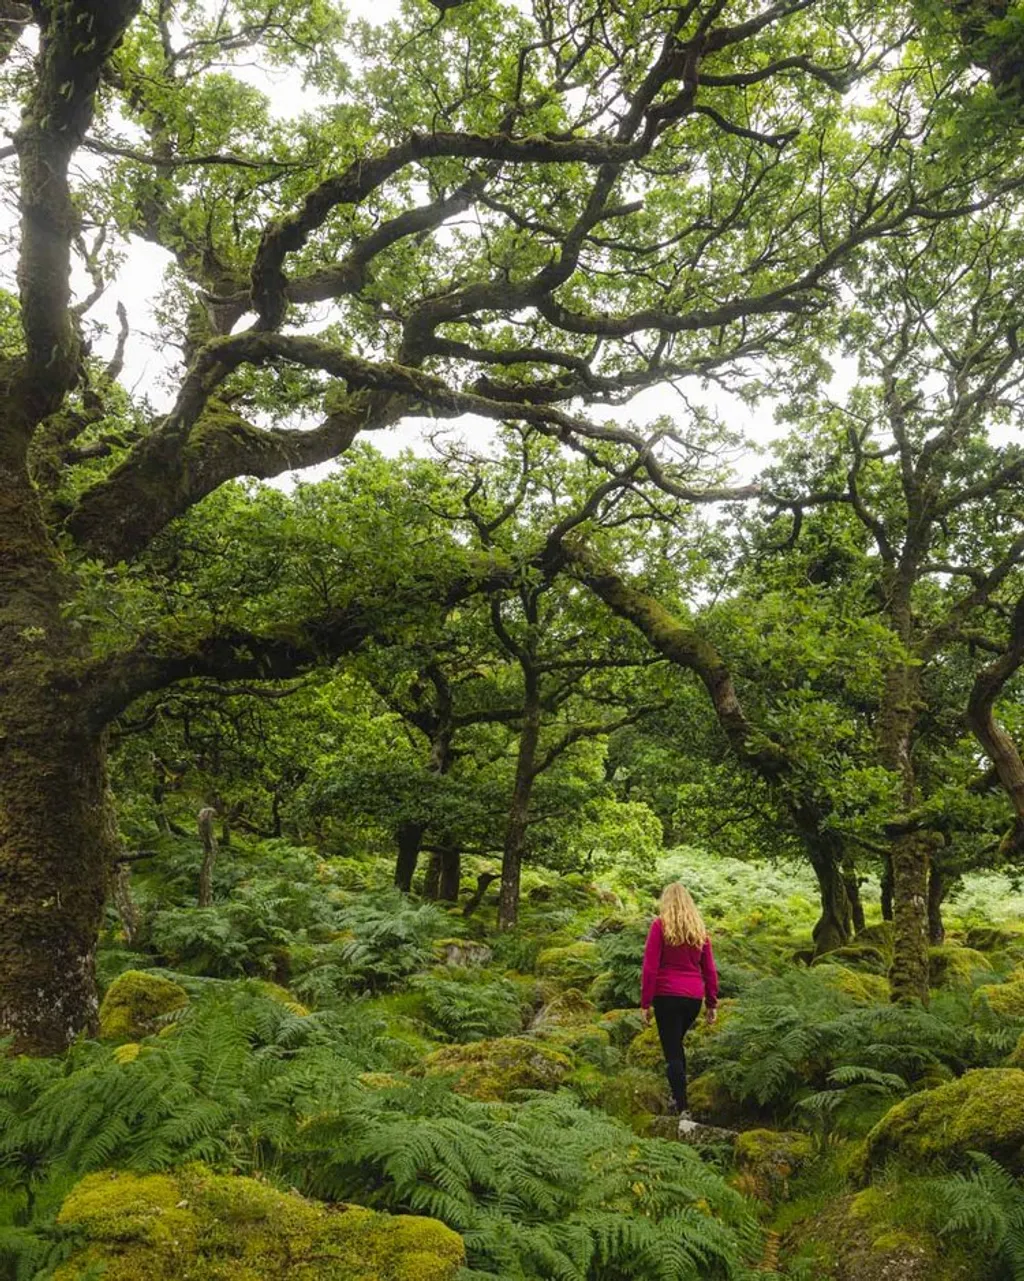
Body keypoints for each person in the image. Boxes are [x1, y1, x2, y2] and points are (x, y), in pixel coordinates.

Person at [640, 881, 718, 1128]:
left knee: (672, 1051)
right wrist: (712, 1002)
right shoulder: (699, 930)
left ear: (666, 901)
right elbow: (710, 970)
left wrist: (645, 1002)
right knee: (676, 1046)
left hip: (667, 996)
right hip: (693, 998)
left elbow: (650, 967)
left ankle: (683, 1108)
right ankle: (678, 1095)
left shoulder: (659, 926)